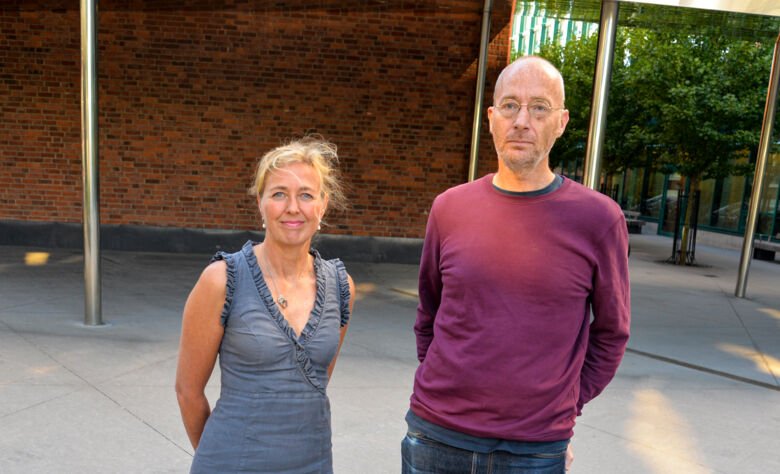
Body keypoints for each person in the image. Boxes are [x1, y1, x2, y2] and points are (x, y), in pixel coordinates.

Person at [403, 56, 630, 473]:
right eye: (510, 105)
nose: (522, 120)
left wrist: (566, 404)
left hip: (534, 451)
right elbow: (429, 313)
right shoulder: (449, 208)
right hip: (436, 436)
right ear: (491, 118)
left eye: (539, 107)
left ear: (561, 122)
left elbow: (612, 332)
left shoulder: (599, 219)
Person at [175, 137, 355, 473]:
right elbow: (188, 391)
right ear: (260, 203)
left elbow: (314, 383)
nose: (292, 207)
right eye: (278, 194)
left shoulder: (341, 287)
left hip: (312, 462)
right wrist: (222, 459)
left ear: (323, 205)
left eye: (305, 194)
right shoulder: (221, 280)